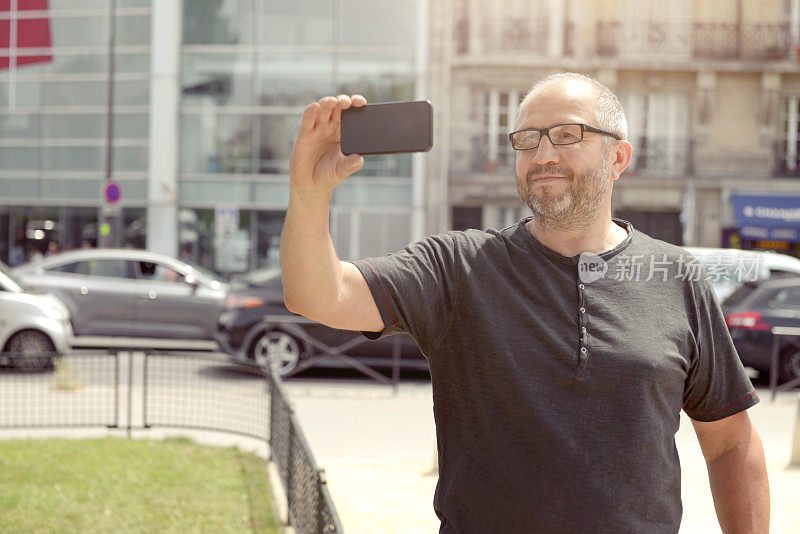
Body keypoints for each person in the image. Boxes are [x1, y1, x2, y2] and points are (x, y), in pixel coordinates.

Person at [280, 73, 770, 533]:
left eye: (566, 134)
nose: (542, 155)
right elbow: (319, 295)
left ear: (618, 158)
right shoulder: (458, 266)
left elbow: (730, 441)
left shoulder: (676, 275)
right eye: (527, 139)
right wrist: (309, 189)